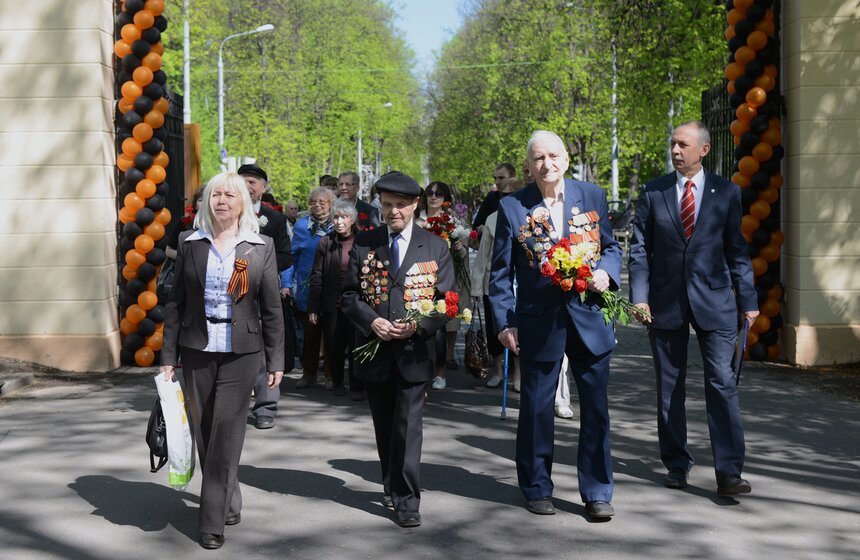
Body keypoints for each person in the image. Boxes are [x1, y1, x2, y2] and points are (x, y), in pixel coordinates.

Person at [489, 130, 621, 520]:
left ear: (565, 159)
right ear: (528, 166)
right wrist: (504, 322)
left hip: (589, 318)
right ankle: (536, 487)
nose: (546, 164)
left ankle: (597, 491)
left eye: (553, 156)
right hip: (537, 322)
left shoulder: (593, 195)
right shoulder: (512, 206)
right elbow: (499, 274)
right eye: (537, 158)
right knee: (536, 409)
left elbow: (610, 248)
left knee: (595, 410)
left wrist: (607, 275)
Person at [628, 121, 759, 496]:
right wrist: (640, 296)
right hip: (665, 303)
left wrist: (747, 300)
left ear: (703, 149)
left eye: (683, 144)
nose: (675, 151)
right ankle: (676, 462)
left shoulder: (726, 192)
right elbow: (639, 249)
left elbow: (736, 249)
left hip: (716, 303)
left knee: (722, 383)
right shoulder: (654, 192)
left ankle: (729, 473)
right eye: (673, 144)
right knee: (670, 387)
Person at [160, 171, 284, 550]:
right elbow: (176, 303)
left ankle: (211, 521)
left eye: (230, 196)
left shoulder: (260, 245)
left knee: (227, 433)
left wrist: (276, 358)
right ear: (206, 202)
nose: (222, 202)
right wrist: (168, 356)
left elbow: (272, 308)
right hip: (197, 349)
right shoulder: (189, 242)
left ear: (241, 202)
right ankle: (228, 498)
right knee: (205, 429)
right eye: (215, 195)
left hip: (242, 354)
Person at [341, 171, 454, 528]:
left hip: (414, 354)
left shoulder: (434, 246)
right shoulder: (365, 242)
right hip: (375, 349)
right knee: (385, 425)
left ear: (415, 204)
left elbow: (447, 301)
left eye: (400, 206)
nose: (393, 213)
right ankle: (391, 483)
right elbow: (348, 296)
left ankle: (407, 499)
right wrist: (371, 321)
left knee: (408, 425)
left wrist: (419, 326)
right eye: (386, 205)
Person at [238, 163, 293, 429]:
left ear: (263, 187)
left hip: (262, 290)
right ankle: (232, 404)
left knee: (265, 346)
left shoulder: (275, 219)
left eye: (253, 182)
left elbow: (285, 255)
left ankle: (265, 405)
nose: (248, 187)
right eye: (243, 181)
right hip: (230, 291)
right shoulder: (222, 213)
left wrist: (260, 268)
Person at [307, 199, 366, 400]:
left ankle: (357, 386)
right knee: (334, 344)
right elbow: (317, 275)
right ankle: (338, 382)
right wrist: (313, 306)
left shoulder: (363, 240)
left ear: (352, 220)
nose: (339, 221)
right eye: (336, 217)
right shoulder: (326, 241)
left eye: (344, 217)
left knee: (357, 345)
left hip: (358, 303)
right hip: (332, 302)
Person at [415, 180, 469, 390]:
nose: (434, 197)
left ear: (446, 198)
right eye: (430, 193)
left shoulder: (453, 222)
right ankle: (424, 367)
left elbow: (464, 254)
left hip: (446, 278)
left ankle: (442, 367)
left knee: (445, 323)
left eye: (438, 194)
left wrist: (458, 247)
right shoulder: (417, 220)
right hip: (420, 280)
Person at [470, 177, 523, 390]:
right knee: (495, 330)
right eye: (503, 195)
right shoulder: (493, 218)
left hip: (521, 283)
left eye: (511, 195)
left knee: (519, 331)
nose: (506, 198)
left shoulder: (529, 216)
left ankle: (519, 373)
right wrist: (476, 286)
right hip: (494, 283)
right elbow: (482, 256)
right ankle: (498, 371)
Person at [282, 187, 336, 388]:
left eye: (322, 202)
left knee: (332, 334)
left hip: (331, 288)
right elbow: (292, 257)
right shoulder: (302, 226)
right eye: (314, 202)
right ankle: (309, 372)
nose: (318, 205)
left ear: (331, 204)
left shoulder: (338, 224)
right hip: (307, 288)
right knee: (309, 335)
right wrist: (286, 284)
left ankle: (332, 375)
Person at [472, 162, 516, 232]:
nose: (497, 182)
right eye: (495, 178)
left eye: (501, 178)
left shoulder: (520, 198)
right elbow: (476, 225)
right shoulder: (491, 197)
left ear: (512, 177)